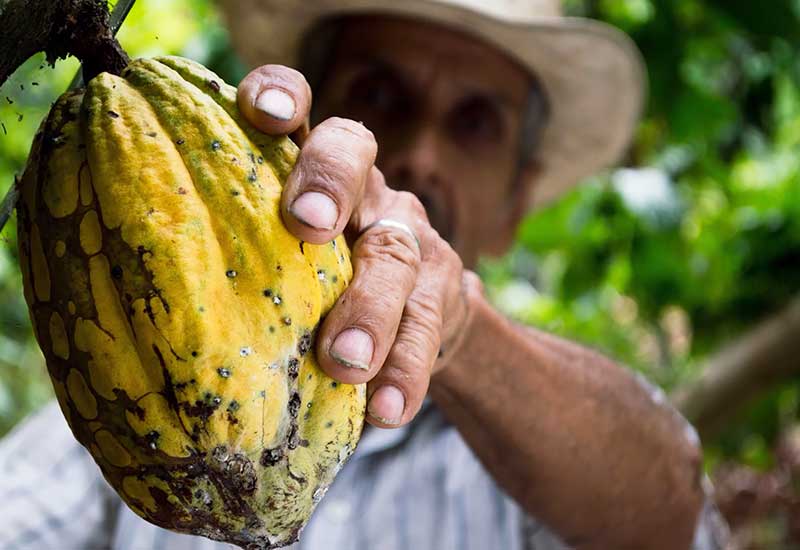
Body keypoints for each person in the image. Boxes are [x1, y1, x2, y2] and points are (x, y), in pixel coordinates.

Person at [0, 1, 729, 549]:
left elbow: (670, 509)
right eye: (381, 96)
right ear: (295, 119)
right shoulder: (121, 390)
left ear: (517, 201)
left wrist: (459, 332)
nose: (420, 156)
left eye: (475, 122)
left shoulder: (538, 468)